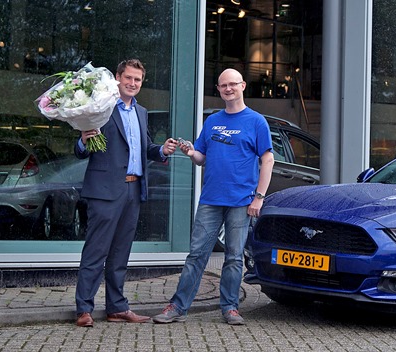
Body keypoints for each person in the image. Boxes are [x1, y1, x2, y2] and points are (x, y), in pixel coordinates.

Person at [152, 68, 274, 325]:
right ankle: (177, 306)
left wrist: (259, 197)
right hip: (211, 199)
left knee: (233, 256)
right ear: (218, 89)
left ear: (242, 86)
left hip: (241, 201)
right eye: (223, 85)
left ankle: (230, 307)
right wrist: (190, 152)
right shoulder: (212, 121)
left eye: (233, 84)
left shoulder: (256, 121)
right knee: (196, 255)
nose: (228, 89)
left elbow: (268, 159)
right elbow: (201, 158)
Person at [74, 59, 177, 327]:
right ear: (118, 77)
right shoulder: (102, 106)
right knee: (96, 252)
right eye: (128, 78)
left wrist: (161, 150)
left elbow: (145, 148)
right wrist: (83, 140)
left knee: (120, 254)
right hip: (105, 191)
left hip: (133, 189)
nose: (133, 83)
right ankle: (84, 309)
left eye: (138, 80)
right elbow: (81, 148)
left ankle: (117, 307)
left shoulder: (141, 112)